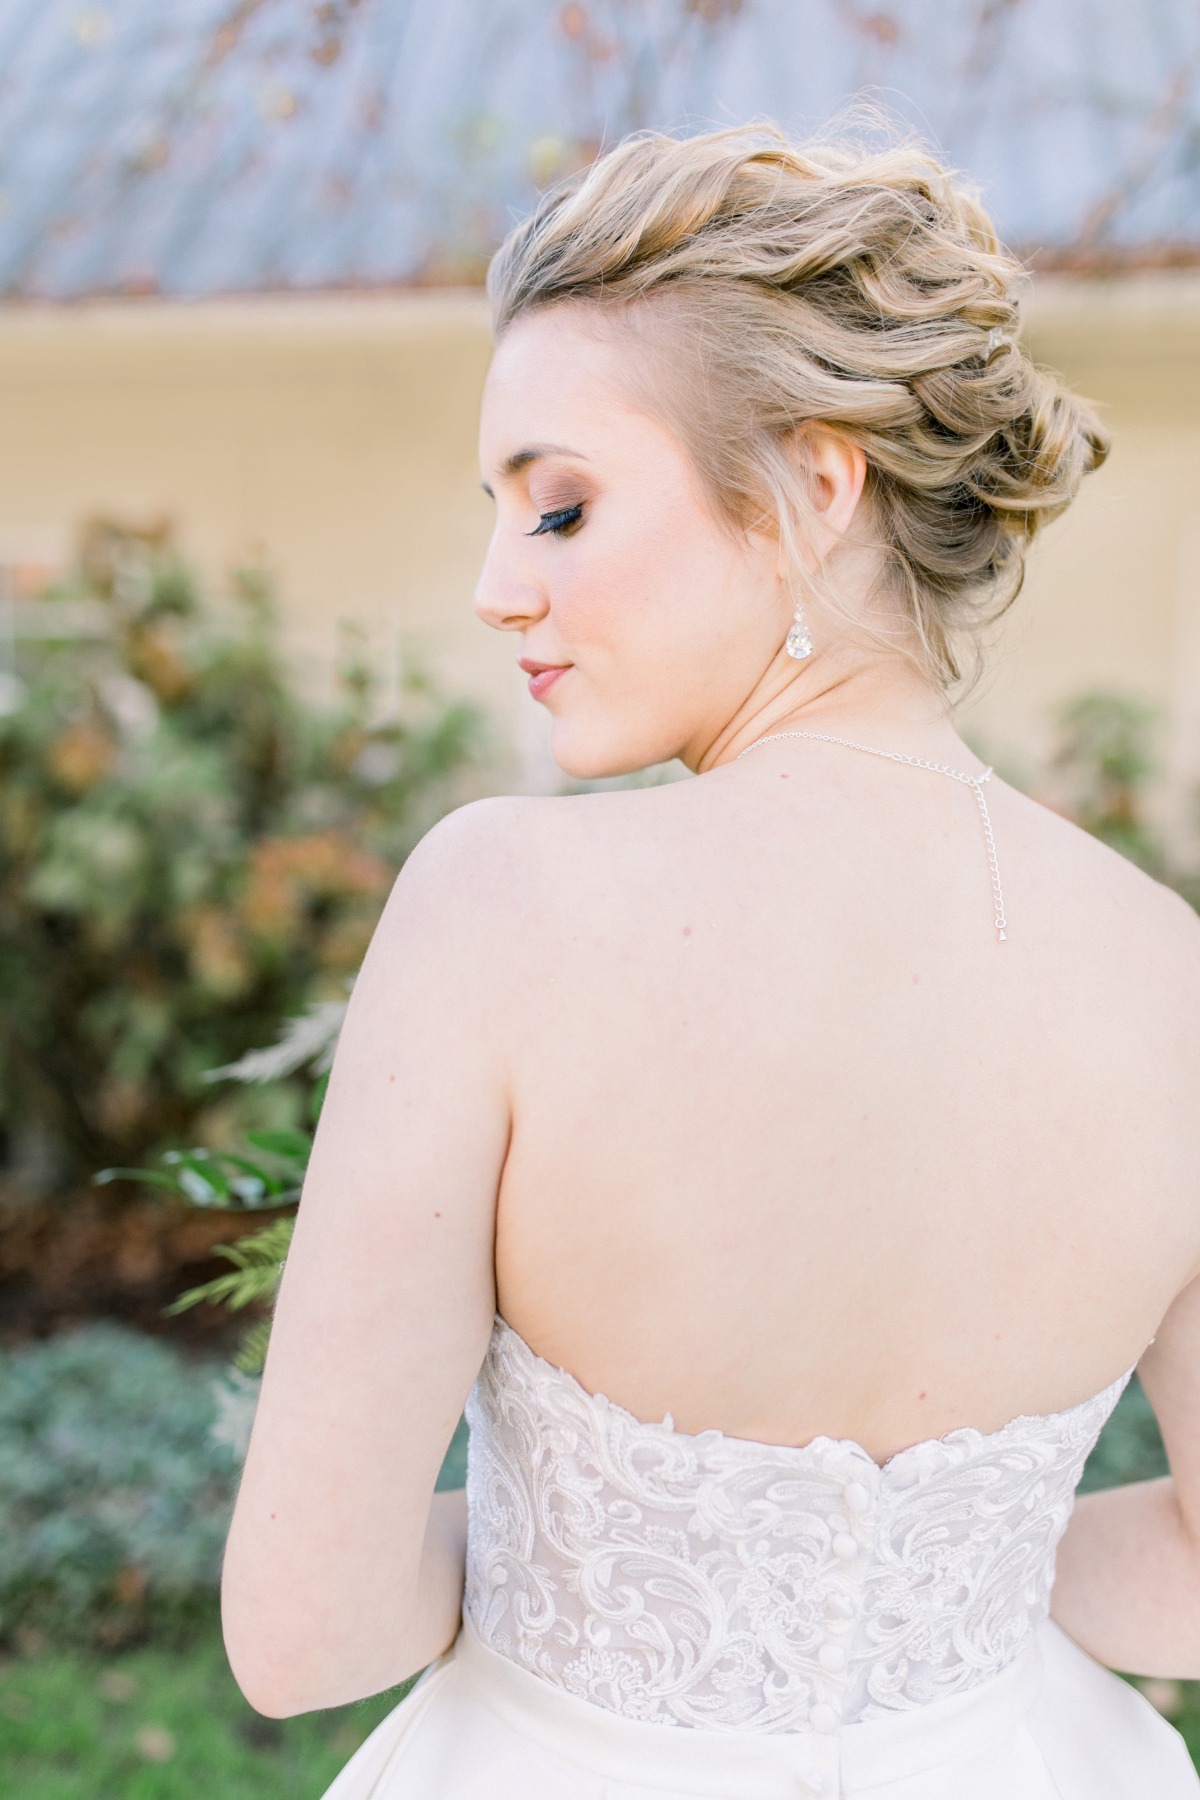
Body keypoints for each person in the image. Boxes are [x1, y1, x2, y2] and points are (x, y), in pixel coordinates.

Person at [220, 124, 1200, 1798]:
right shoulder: (1168, 969)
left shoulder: (500, 909)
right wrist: (920, 1600)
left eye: (562, 507)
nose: (492, 591)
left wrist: (615, 1588)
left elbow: (310, 1625)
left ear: (816, 489)